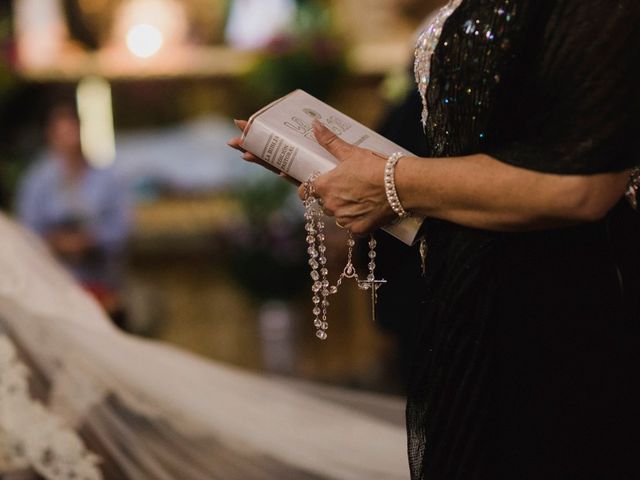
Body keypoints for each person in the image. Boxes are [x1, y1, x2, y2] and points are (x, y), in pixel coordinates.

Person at [230, 0, 640, 478]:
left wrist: (391, 182)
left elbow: (579, 185)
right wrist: (346, 175)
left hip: (567, 317)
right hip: (476, 303)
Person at [16, 105, 131, 327]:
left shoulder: (106, 177)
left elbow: (121, 228)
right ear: (51, 136)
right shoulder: (38, 181)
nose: (68, 141)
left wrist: (89, 241)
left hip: (101, 286)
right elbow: (27, 234)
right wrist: (58, 243)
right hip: (54, 290)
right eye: (62, 134)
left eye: (72, 132)